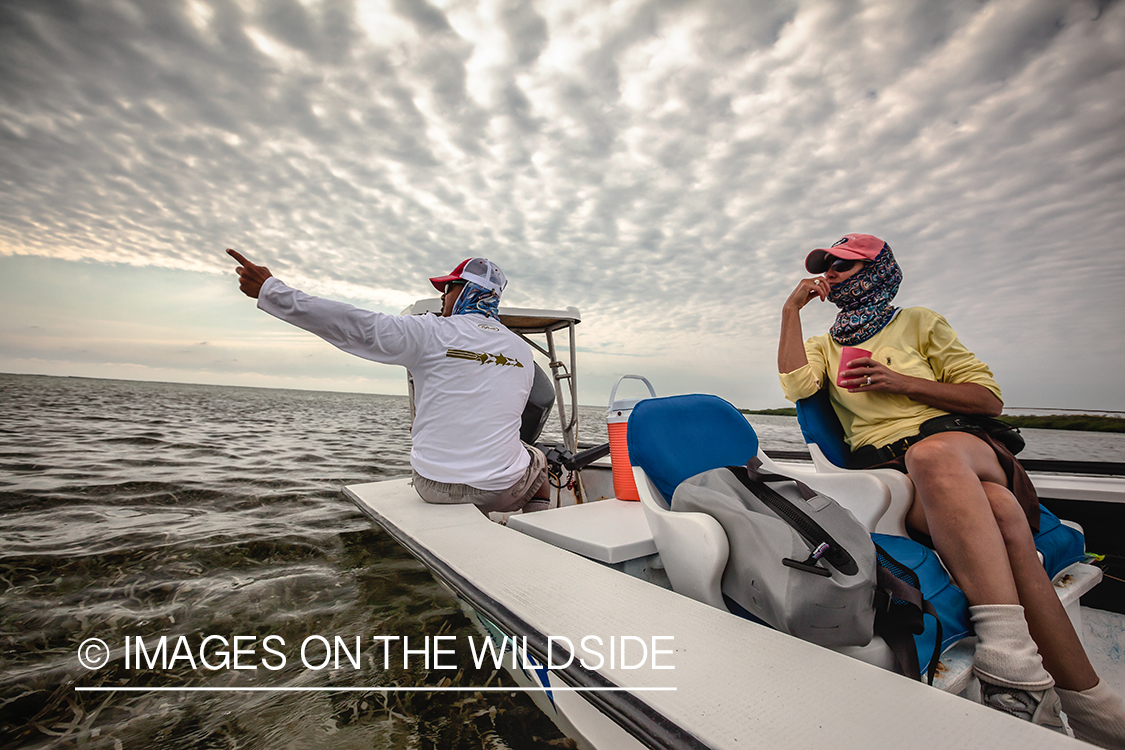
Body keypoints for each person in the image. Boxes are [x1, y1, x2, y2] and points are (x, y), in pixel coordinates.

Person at [777, 234, 1125, 746]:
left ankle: (1008, 664)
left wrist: (902, 383)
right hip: (895, 468)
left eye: (843, 265)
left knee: (932, 453)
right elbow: (795, 387)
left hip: (960, 443)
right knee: (1002, 513)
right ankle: (1089, 703)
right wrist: (791, 310)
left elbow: (988, 400)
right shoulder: (827, 346)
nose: (830, 272)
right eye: (825, 266)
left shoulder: (919, 321)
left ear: (878, 269)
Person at [227, 249, 551, 515]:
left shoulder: (430, 332)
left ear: (465, 290)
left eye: (447, 289)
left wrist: (271, 290)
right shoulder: (520, 350)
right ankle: (535, 534)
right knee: (539, 460)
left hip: (435, 487)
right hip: (500, 491)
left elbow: (353, 324)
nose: (441, 297)